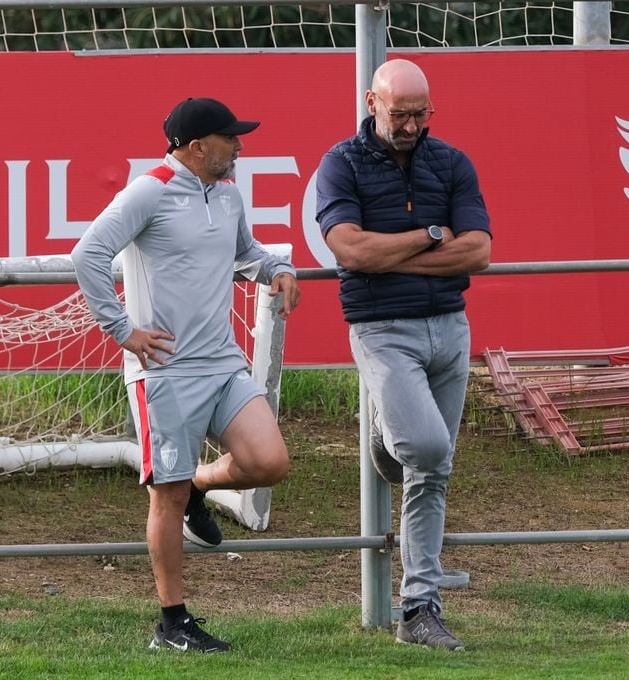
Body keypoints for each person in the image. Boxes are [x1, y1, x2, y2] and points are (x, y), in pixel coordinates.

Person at [71, 97, 300, 653]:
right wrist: (123, 331)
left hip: (222, 362)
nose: (239, 146)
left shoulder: (227, 192)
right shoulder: (149, 190)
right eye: (230, 138)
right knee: (165, 499)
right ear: (197, 147)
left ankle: (200, 484)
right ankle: (172, 624)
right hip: (164, 373)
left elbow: (246, 253)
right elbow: (88, 254)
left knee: (269, 462)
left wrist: (278, 267)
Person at [315, 59, 492, 651]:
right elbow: (351, 250)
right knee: (428, 450)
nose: (412, 125)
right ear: (373, 103)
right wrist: (430, 236)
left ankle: (419, 609)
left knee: (432, 471)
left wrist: (393, 259)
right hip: (382, 328)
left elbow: (478, 252)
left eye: (421, 114)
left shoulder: (453, 162)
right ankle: (383, 433)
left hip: (451, 326)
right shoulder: (340, 163)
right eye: (400, 114)